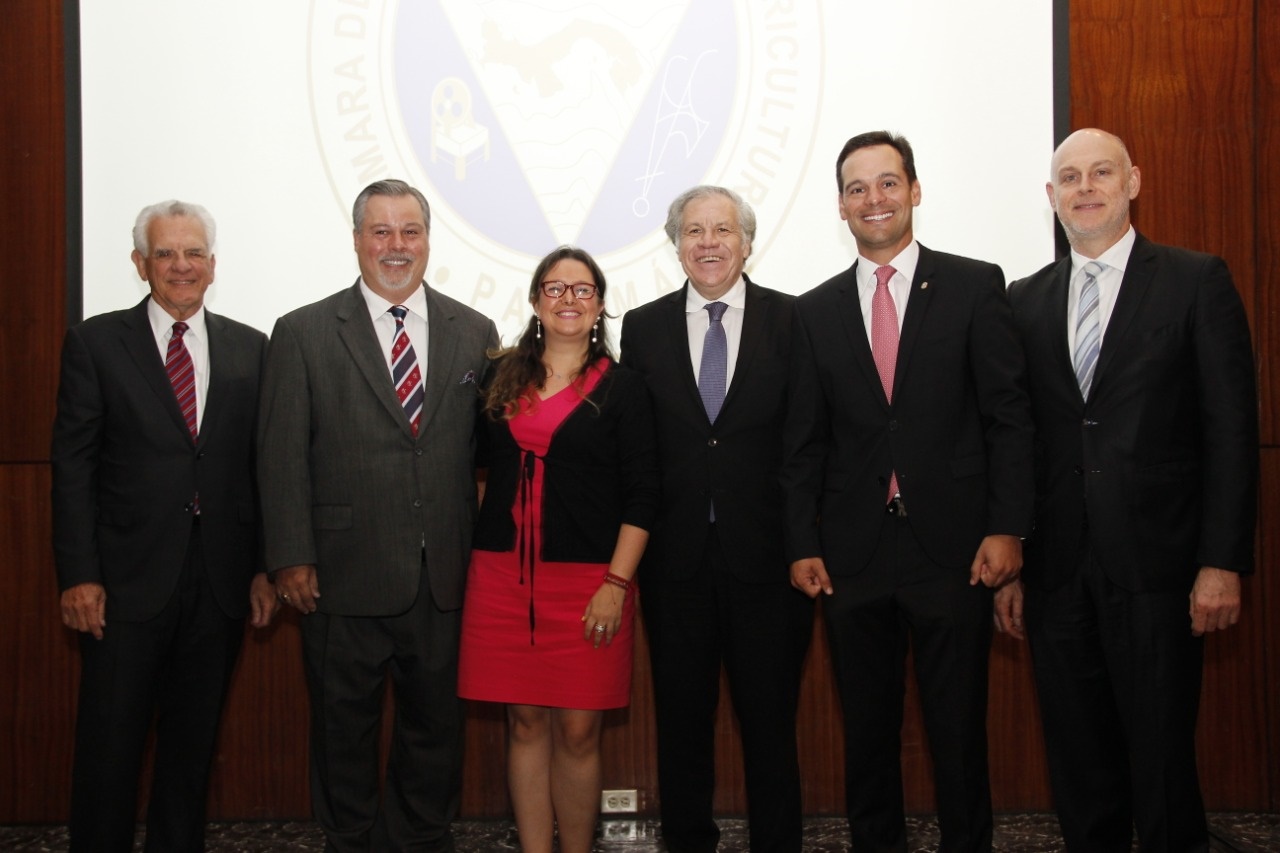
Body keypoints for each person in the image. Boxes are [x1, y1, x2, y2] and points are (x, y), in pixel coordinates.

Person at [999, 128, 1258, 852]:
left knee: (1164, 761)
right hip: (1055, 572)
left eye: (1101, 172)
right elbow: (1017, 442)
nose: (1086, 188)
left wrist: (1221, 559)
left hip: (1162, 568)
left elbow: (1231, 432)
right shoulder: (1024, 299)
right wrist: (1013, 558)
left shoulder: (1195, 280)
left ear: (1133, 181)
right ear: (1051, 197)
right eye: (1070, 177)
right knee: (1079, 765)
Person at [782, 131, 1034, 852]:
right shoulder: (814, 310)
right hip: (854, 555)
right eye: (857, 188)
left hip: (954, 549)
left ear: (915, 190)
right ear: (840, 205)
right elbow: (803, 442)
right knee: (867, 735)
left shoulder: (974, 283)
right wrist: (802, 540)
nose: (874, 199)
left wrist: (1007, 525)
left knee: (958, 732)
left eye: (888, 183)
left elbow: (1007, 417)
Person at [257, 179, 498, 851]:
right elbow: (279, 457)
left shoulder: (473, 331)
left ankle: (422, 838)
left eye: (410, 231)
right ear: (358, 239)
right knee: (343, 732)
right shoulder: (303, 332)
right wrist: (290, 556)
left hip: (442, 577)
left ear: (428, 239)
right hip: (338, 574)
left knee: (434, 732)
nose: (397, 246)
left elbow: (487, 457)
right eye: (381, 232)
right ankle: (352, 840)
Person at [52, 199, 277, 852]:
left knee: (192, 748)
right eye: (166, 253)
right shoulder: (95, 343)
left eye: (194, 253)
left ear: (213, 265)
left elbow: (259, 469)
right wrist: (79, 575)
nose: (182, 265)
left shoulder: (250, 347)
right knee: (110, 747)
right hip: (122, 586)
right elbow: (72, 468)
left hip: (219, 584)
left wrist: (263, 565)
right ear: (140, 264)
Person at [619, 186, 813, 853]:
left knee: (770, 723)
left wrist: (804, 544)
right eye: (694, 230)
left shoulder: (793, 321)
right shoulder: (641, 329)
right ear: (676, 244)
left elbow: (805, 445)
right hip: (674, 563)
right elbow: (639, 449)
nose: (708, 242)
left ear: (747, 242)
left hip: (769, 560)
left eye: (722, 229)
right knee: (681, 724)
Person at [457, 245, 658, 853]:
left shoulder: (624, 389)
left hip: (591, 583)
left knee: (576, 732)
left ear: (599, 305)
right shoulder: (498, 376)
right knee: (522, 724)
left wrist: (616, 586)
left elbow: (643, 497)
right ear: (535, 301)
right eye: (554, 288)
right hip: (501, 580)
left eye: (582, 290)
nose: (568, 299)